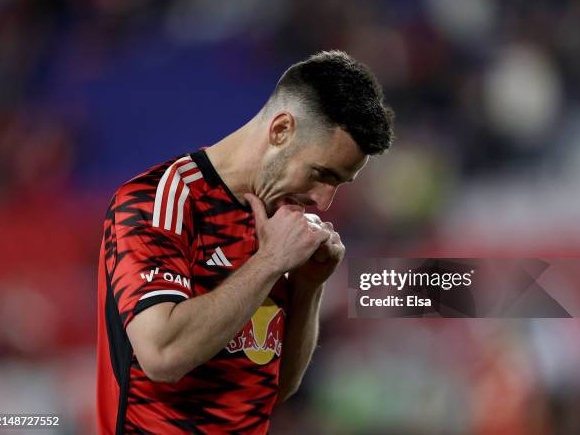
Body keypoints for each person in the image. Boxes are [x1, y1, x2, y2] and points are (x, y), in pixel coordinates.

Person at [96, 50, 394, 434]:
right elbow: (162, 355)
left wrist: (307, 288)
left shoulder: (277, 222)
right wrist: (269, 262)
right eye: (320, 173)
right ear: (281, 130)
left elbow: (274, 389)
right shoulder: (161, 201)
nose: (323, 201)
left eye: (338, 183)